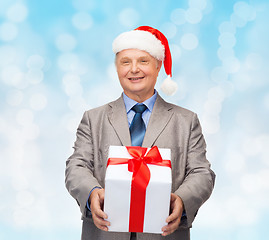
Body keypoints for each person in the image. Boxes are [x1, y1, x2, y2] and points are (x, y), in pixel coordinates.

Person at [65, 26, 215, 240]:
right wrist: (92, 193)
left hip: (164, 233)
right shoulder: (93, 118)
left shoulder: (186, 121)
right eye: (125, 62)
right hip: (105, 232)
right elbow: (76, 166)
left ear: (158, 65)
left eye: (143, 61)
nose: (134, 69)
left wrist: (182, 199)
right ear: (117, 68)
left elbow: (202, 173)